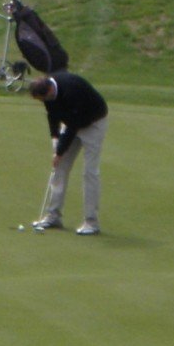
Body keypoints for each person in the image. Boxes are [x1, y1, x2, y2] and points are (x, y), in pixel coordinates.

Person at [27, 71, 109, 235]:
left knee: (89, 172)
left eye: (44, 98)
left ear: (50, 90)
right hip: (72, 120)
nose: (44, 102)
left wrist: (59, 152)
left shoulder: (72, 90)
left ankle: (91, 222)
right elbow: (52, 115)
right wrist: (55, 139)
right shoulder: (48, 94)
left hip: (93, 122)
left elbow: (73, 126)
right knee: (59, 168)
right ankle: (53, 216)